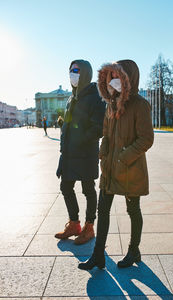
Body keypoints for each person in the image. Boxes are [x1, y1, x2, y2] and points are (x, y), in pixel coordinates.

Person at [78, 59, 154, 270]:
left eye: (117, 76)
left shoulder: (140, 105)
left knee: (133, 210)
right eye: (110, 77)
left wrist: (123, 156)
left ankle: (133, 250)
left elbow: (146, 138)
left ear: (128, 78)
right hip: (110, 168)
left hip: (131, 169)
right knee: (103, 209)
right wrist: (104, 154)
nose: (113, 81)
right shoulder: (110, 104)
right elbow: (106, 133)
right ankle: (97, 255)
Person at [55, 59, 106, 245]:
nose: (72, 74)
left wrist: (79, 138)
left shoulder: (96, 97)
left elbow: (99, 128)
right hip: (69, 154)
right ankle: (74, 224)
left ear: (84, 73)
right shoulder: (71, 98)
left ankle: (89, 227)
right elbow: (69, 126)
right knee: (65, 187)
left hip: (85, 153)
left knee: (88, 189)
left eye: (75, 70)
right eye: (70, 70)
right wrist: (65, 132)